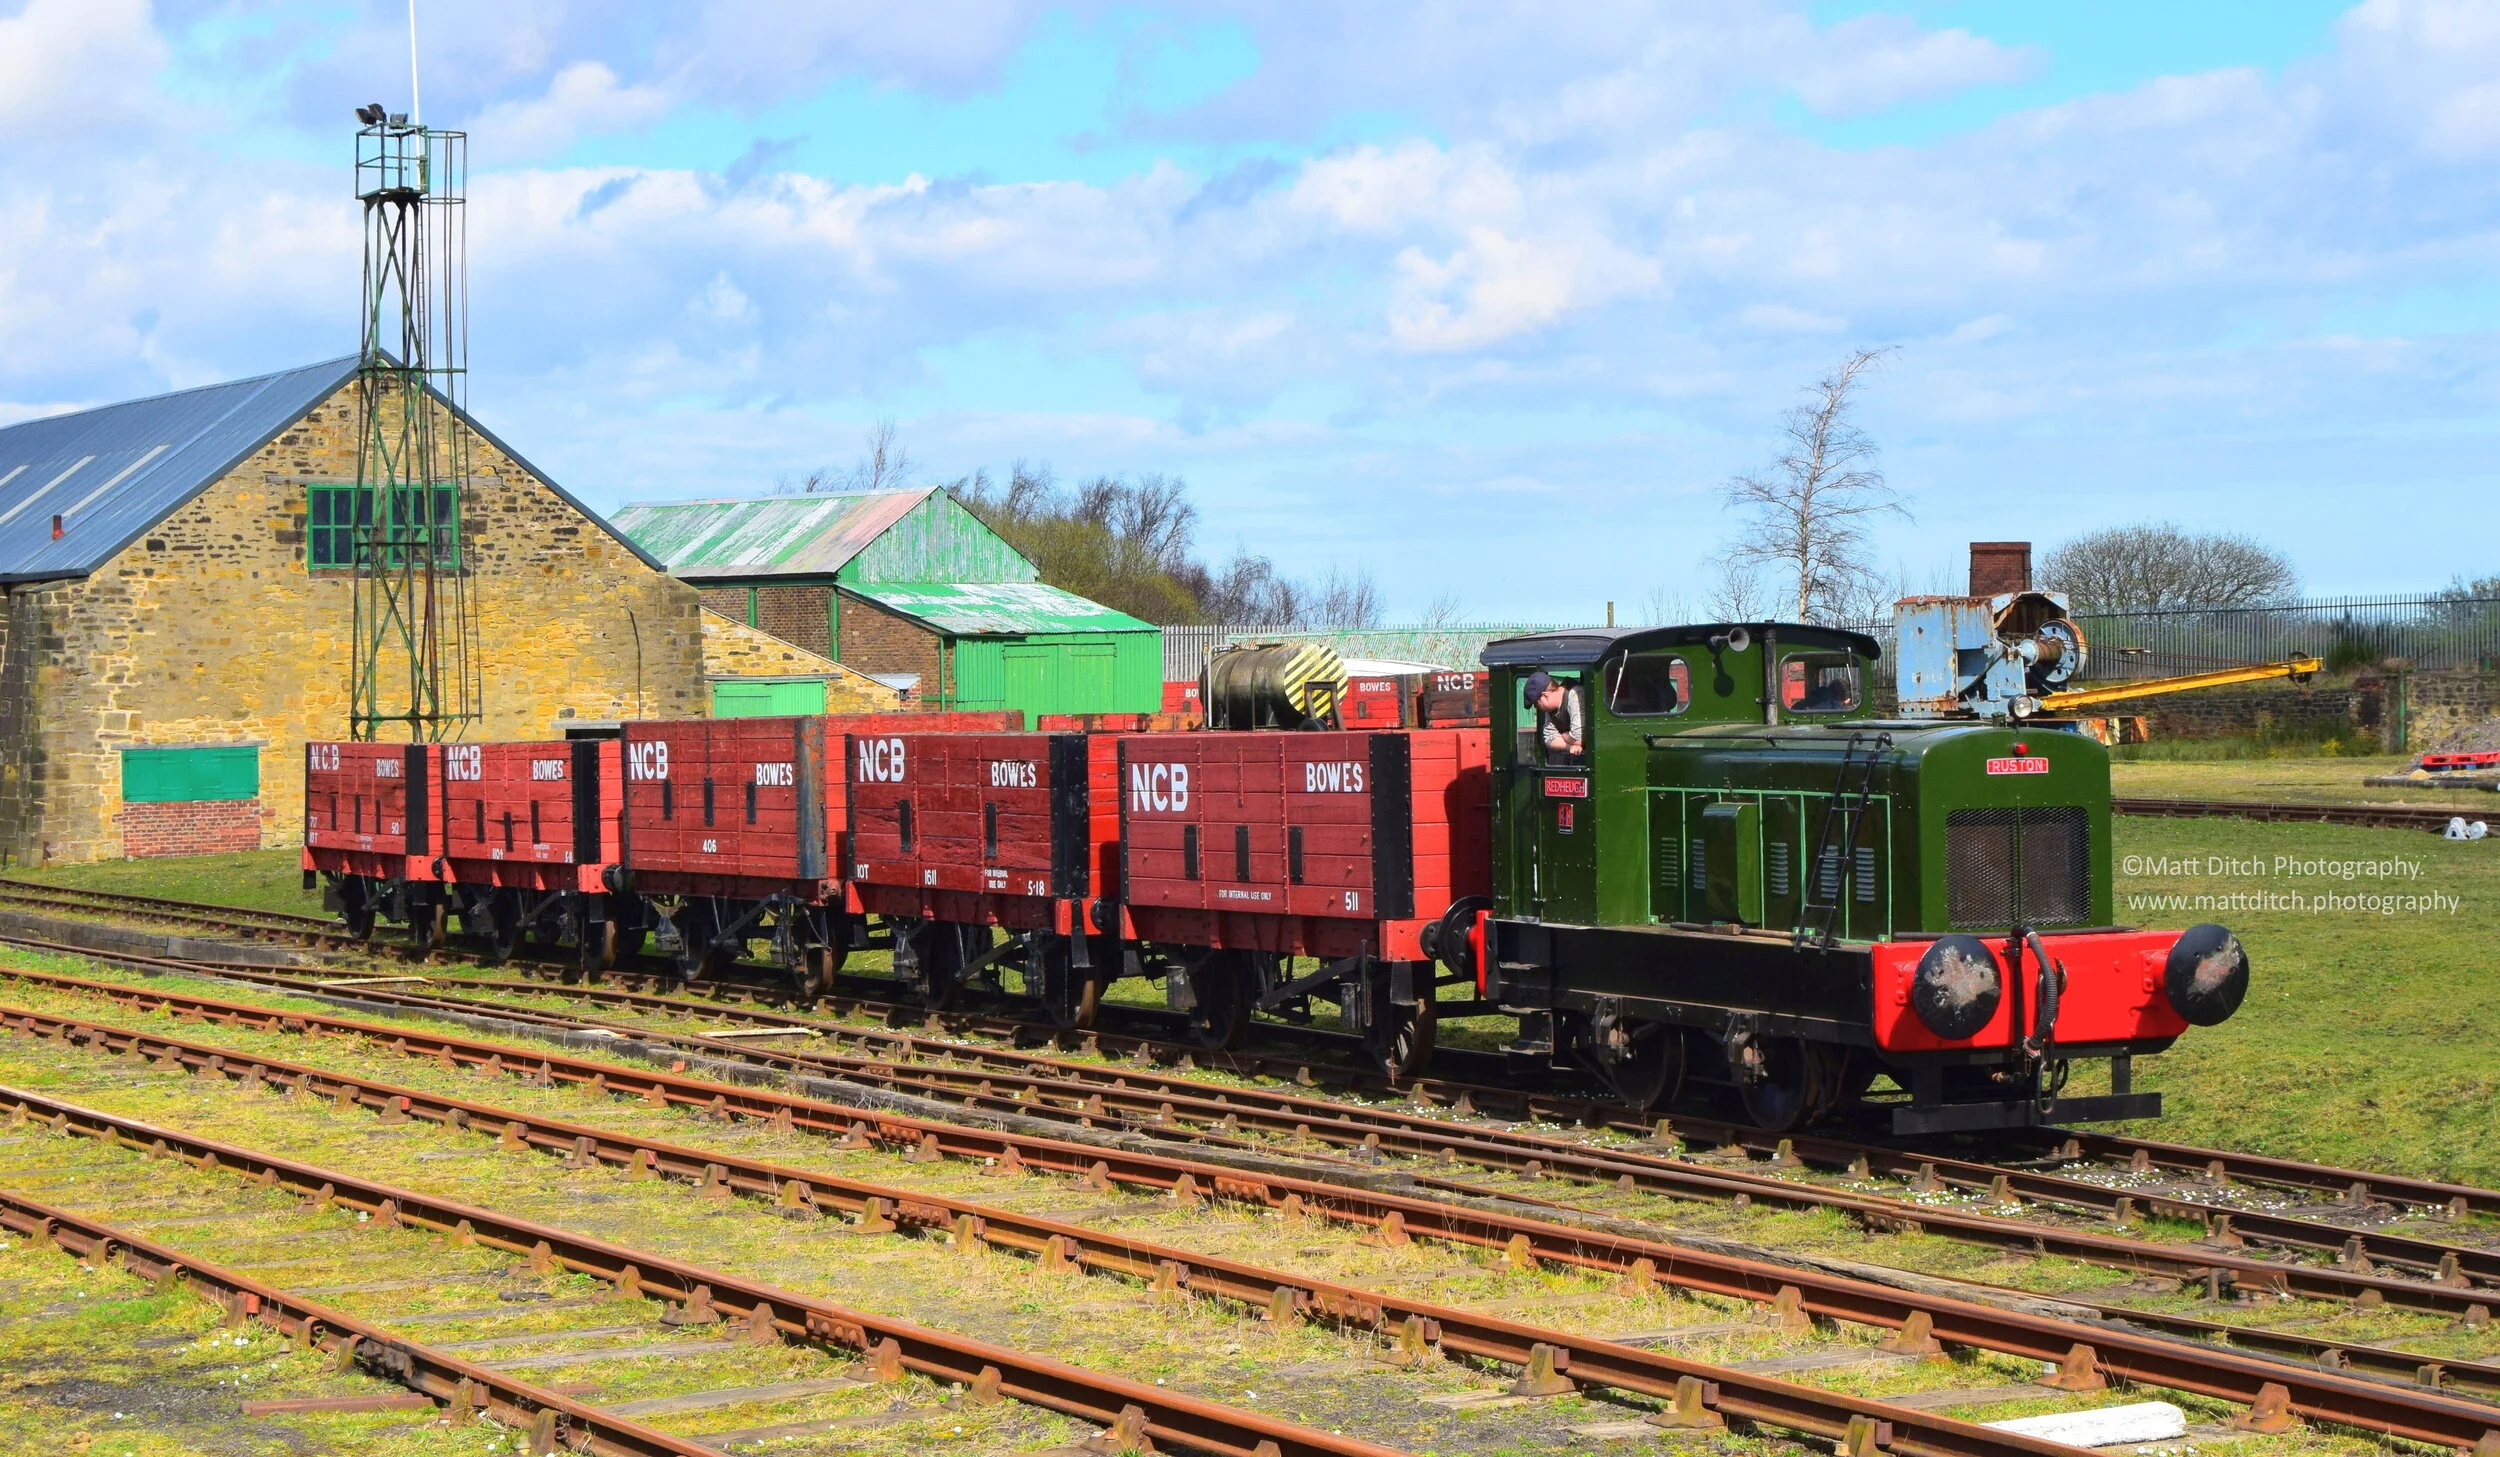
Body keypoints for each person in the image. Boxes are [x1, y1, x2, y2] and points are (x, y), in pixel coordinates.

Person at [1522, 670, 1582, 759]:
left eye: (1536, 703)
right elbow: (1549, 739)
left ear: (1545, 696)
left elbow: (1578, 738)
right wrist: (1570, 747)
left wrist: (1563, 735)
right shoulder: (1550, 710)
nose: (1536, 707)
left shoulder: (1575, 694)